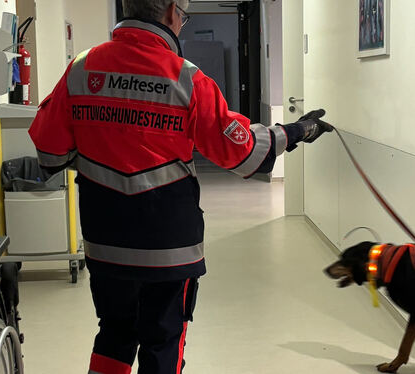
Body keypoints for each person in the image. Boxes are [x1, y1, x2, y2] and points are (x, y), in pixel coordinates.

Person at [28, 1, 332, 373]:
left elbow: (48, 151)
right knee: (163, 339)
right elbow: (243, 153)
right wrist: (298, 130)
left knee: (114, 334)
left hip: (105, 242)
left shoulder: (81, 69)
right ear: (173, 12)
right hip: (169, 247)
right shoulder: (187, 78)